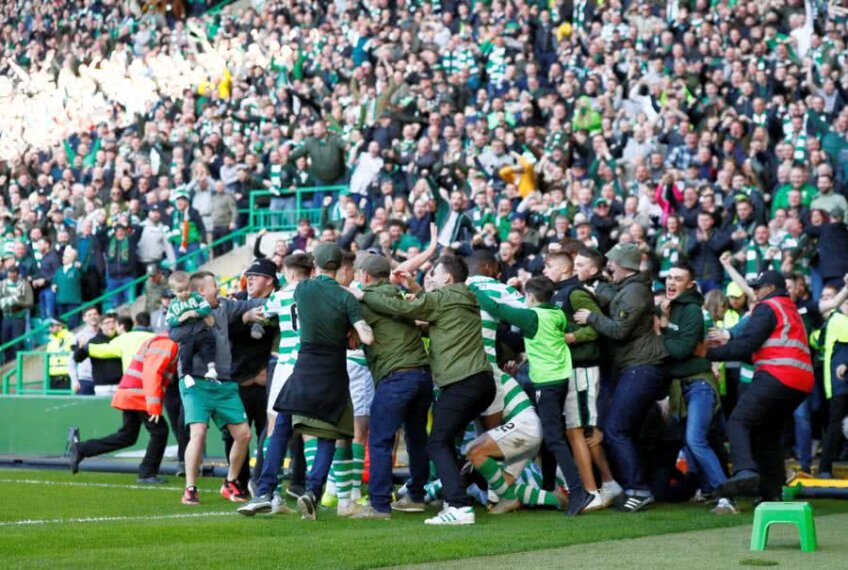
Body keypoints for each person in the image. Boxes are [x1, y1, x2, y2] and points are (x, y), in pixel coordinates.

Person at [354, 255, 495, 526]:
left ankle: (458, 505)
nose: (429, 277)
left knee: (436, 442)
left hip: (462, 382)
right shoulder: (460, 298)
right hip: (477, 382)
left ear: (447, 278)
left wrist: (361, 294)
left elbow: (401, 308)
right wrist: (413, 288)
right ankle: (430, 495)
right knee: (436, 440)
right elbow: (428, 316)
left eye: (434, 273)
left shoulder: (444, 298)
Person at [265, 243, 374, 520]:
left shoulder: (302, 289)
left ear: (316, 264)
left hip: (303, 367)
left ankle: (266, 490)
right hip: (334, 372)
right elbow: (367, 337)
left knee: (281, 427)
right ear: (340, 266)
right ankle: (313, 492)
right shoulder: (347, 298)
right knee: (329, 435)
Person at [474, 275, 595, 515]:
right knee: (553, 437)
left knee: (554, 439)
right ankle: (552, 486)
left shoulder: (532, 317)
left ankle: (579, 492)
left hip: (546, 383)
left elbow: (495, 308)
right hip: (561, 378)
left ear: (530, 297)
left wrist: (472, 289)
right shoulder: (557, 314)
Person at [573, 242, 668, 512]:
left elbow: (619, 331)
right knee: (621, 429)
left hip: (642, 367)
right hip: (635, 367)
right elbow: (611, 295)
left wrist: (591, 316)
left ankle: (639, 489)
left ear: (623, 265)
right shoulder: (629, 288)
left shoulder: (635, 292)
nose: (608, 267)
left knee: (615, 429)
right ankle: (637, 486)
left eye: (611, 263)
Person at [706, 270, 814, 501]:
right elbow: (758, 352)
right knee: (768, 434)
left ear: (771, 289)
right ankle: (770, 494)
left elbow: (746, 345)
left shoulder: (768, 307)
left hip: (777, 375)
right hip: (799, 382)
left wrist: (708, 354)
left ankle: (744, 471)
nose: (754, 292)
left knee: (738, 421)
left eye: (758, 287)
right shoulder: (790, 309)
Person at [169, 271, 265, 505]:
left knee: (243, 435)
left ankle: (230, 482)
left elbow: (248, 304)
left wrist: (257, 309)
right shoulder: (183, 308)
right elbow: (174, 334)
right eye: (215, 286)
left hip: (224, 381)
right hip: (195, 380)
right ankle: (190, 488)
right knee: (198, 432)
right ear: (201, 291)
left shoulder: (224, 306)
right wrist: (201, 322)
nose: (219, 289)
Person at [348, 254, 432, 520]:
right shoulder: (398, 297)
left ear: (366, 277)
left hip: (396, 378)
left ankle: (380, 505)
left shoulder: (368, 302)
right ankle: (417, 496)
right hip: (422, 375)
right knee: (417, 437)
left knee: (380, 440)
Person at [238, 252, 314, 517]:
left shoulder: (280, 296)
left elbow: (261, 312)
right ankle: (315, 490)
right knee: (311, 429)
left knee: (274, 428)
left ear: (290, 273)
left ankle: (270, 491)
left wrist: (252, 319)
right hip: (312, 364)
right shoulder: (316, 293)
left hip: (285, 364)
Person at [547, 249, 621, 508]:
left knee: (576, 430)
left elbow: (597, 325)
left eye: (549, 267)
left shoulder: (576, 293)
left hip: (582, 368)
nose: (545, 272)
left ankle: (592, 492)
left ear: (564, 269)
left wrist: (573, 337)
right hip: (572, 368)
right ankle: (609, 484)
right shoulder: (560, 293)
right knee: (581, 430)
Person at [658, 262, 732, 514]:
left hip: (700, 384)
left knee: (695, 440)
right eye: (669, 277)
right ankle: (711, 489)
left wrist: (662, 331)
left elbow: (680, 350)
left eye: (678, 279)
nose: (671, 282)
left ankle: (726, 497)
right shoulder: (672, 309)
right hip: (682, 387)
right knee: (697, 441)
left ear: (690, 285)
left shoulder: (691, 310)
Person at [68, 332, 178, 483]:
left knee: (127, 436)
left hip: (131, 391)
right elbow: (151, 374)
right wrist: (154, 406)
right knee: (159, 431)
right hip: (139, 394)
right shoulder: (168, 343)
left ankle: (82, 449)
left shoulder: (162, 339)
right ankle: (147, 473)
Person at [811, 276, 848, 478]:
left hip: (839, 382)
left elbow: (816, 339)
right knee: (835, 426)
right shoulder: (836, 319)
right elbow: (816, 340)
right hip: (838, 384)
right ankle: (825, 469)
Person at [166, 270, 218, 383]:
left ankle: (211, 369)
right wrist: (179, 319)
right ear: (173, 291)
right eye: (180, 291)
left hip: (200, 330)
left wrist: (196, 313)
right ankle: (187, 375)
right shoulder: (173, 305)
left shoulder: (196, 297)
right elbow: (169, 321)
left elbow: (207, 308)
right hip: (186, 335)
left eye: (187, 289)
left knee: (208, 342)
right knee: (185, 351)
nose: (184, 293)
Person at [0, 265, 33, 363]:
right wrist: (4, 301)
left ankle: (17, 364)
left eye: (14, 274)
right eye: (10, 274)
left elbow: (30, 302)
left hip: (19, 317)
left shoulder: (24, 284)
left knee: (17, 343)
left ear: (18, 274)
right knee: (5, 342)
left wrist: (18, 302)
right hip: (6, 317)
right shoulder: (2, 284)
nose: (12, 276)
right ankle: (7, 364)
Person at [68, 307, 101, 395]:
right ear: (84, 318)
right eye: (89, 315)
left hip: (102, 380)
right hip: (85, 380)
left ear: (99, 316)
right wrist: (74, 380)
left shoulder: (104, 334)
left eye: (95, 314)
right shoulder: (79, 336)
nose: (93, 317)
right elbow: (71, 361)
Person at [46, 318, 75, 390]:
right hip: (52, 377)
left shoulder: (70, 337)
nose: (50, 328)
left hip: (66, 378)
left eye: (52, 326)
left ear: (60, 326)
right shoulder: (51, 340)